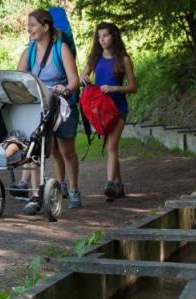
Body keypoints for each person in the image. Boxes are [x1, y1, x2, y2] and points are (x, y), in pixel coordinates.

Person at [16, 8, 82, 214]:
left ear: (46, 27)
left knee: (66, 151)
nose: (29, 29)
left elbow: (75, 79)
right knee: (45, 150)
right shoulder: (29, 51)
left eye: (33, 25)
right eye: (28, 25)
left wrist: (67, 89)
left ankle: (73, 189)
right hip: (39, 106)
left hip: (62, 105)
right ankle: (38, 194)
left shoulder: (60, 49)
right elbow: (19, 77)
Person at [81, 23, 138, 201]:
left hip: (118, 109)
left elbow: (133, 87)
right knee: (111, 148)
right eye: (99, 37)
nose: (102, 40)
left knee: (111, 146)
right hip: (101, 110)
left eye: (105, 35)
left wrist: (114, 88)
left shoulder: (124, 59)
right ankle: (119, 186)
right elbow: (84, 76)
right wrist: (83, 78)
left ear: (113, 36)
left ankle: (109, 184)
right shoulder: (95, 58)